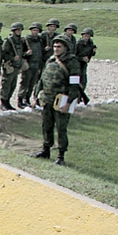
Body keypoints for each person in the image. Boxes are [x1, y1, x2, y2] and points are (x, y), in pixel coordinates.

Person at [31, 35, 81, 165]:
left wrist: (69, 103)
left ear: (65, 48)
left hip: (62, 100)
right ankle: (46, 150)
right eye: (54, 46)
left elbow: (75, 85)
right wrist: (36, 97)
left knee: (61, 128)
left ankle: (61, 155)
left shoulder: (72, 62)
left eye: (59, 47)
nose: (56, 49)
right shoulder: (51, 60)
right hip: (47, 99)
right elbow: (42, 79)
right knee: (46, 126)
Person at [0, 22, 27, 111]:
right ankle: (3, 102)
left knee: (13, 85)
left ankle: (8, 101)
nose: (19, 32)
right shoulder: (8, 41)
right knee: (6, 85)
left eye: (20, 30)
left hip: (17, 66)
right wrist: (12, 58)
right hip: (10, 66)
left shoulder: (21, 41)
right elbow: (3, 53)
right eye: (17, 30)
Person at [18, 22, 44, 108]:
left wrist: (40, 66)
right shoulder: (26, 40)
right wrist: (26, 54)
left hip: (36, 65)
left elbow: (40, 54)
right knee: (25, 83)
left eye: (37, 30)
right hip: (28, 64)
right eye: (33, 30)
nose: (35, 32)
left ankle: (27, 98)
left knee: (32, 83)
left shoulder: (39, 41)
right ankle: (20, 99)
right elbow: (20, 53)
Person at [75, 27, 97, 103]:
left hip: (83, 65)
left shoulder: (90, 44)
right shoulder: (78, 43)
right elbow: (73, 55)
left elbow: (91, 54)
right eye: (85, 36)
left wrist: (93, 51)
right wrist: (81, 58)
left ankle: (80, 96)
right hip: (76, 64)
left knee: (83, 81)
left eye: (88, 36)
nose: (86, 38)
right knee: (75, 81)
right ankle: (75, 96)